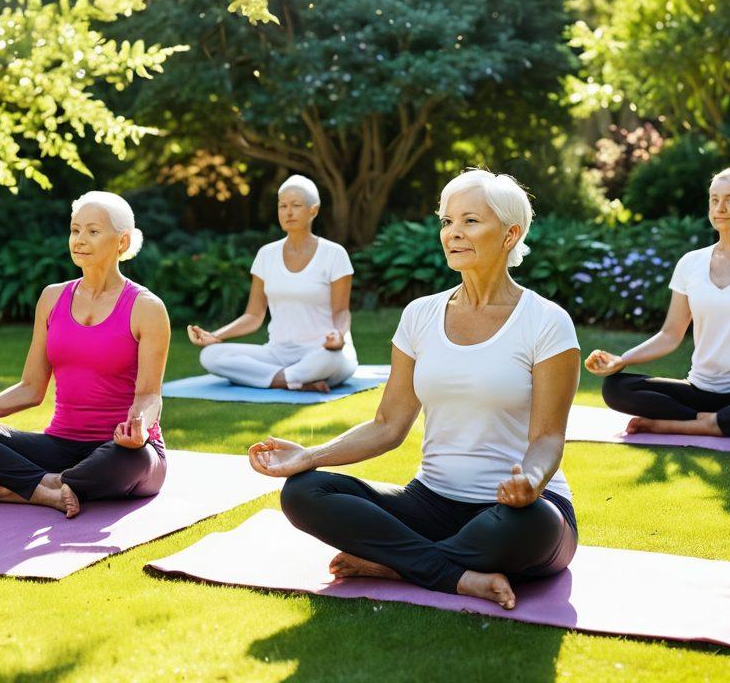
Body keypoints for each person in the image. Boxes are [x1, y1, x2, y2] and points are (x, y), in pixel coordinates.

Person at [249, 170, 580, 610]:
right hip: (432, 503)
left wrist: (532, 481)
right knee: (303, 492)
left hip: (515, 512)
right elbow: (388, 424)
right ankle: (451, 572)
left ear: (510, 234)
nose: (453, 233)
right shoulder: (420, 315)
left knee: (533, 525)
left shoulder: (547, 321)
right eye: (447, 221)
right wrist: (310, 456)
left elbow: (548, 438)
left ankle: (398, 563)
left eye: (470, 221)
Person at [0, 191, 171, 518]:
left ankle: (17, 488)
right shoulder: (52, 298)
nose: (79, 239)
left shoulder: (146, 307)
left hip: (120, 450)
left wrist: (139, 428)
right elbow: (30, 388)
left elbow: (150, 395)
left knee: (132, 461)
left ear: (122, 242)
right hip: (60, 446)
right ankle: (49, 487)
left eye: (93, 231)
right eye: (75, 230)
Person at [586, 167, 730, 438]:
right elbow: (670, 334)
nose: (719, 208)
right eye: (714, 199)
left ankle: (676, 424)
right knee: (616, 388)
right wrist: (621, 360)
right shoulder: (690, 263)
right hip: (701, 390)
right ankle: (713, 422)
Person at [187, 175, 357, 393]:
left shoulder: (334, 254)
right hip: (277, 354)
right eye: (282, 206)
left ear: (313, 211)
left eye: (296, 205)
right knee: (211, 355)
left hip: (321, 352)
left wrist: (339, 336)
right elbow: (253, 315)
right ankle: (295, 380)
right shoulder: (266, 255)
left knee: (331, 361)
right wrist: (216, 335)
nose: (288, 212)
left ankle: (281, 378)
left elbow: (342, 311)